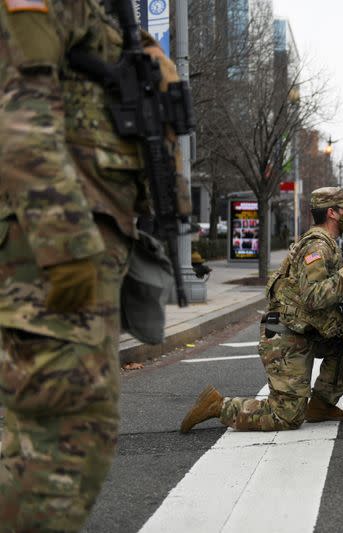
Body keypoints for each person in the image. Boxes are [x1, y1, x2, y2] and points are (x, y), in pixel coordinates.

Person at [0, 4, 181, 531]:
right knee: (61, 447)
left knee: (66, 438)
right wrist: (68, 251)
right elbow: (18, 114)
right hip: (49, 260)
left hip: (81, 252)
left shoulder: (108, 15)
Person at [180, 187, 343, 433]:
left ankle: (321, 406)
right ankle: (218, 405)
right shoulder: (317, 247)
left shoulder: (328, 244)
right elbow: (313, 297)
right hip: (284, 333)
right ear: (332, 213)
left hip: (304, 330)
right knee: (287, 417)